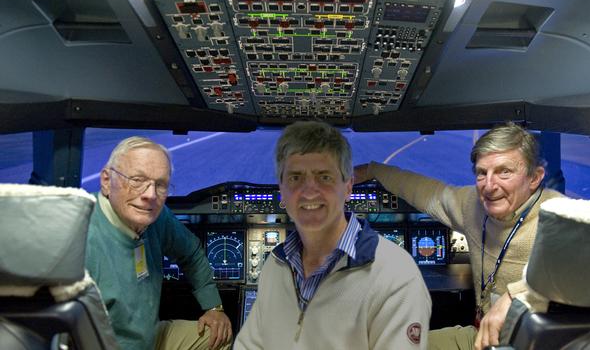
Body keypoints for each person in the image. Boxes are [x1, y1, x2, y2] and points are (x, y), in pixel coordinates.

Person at [354, 122, 565, 350]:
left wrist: (517, 296)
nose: (489, 185)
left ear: (534, 178)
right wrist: (373, 170)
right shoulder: (472, 205)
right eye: (482, 173)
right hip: (481, 336)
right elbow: (427, 192)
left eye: (505, 171)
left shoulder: (561, 216)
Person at [235, 121, 431, 349]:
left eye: (324, 177)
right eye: (295, 177)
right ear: (281, 190)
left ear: (348, 187)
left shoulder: (395, 275)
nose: (309, 191)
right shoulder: (274, 267)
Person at [84, 136, 232, 350]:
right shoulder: (80, 236)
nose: (150, 195)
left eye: (160, 185)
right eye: (137, 180)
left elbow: (191, 253)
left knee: (218, 337)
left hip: (149, 338)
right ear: (107, 181)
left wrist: (214, 307)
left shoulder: (157, 217)